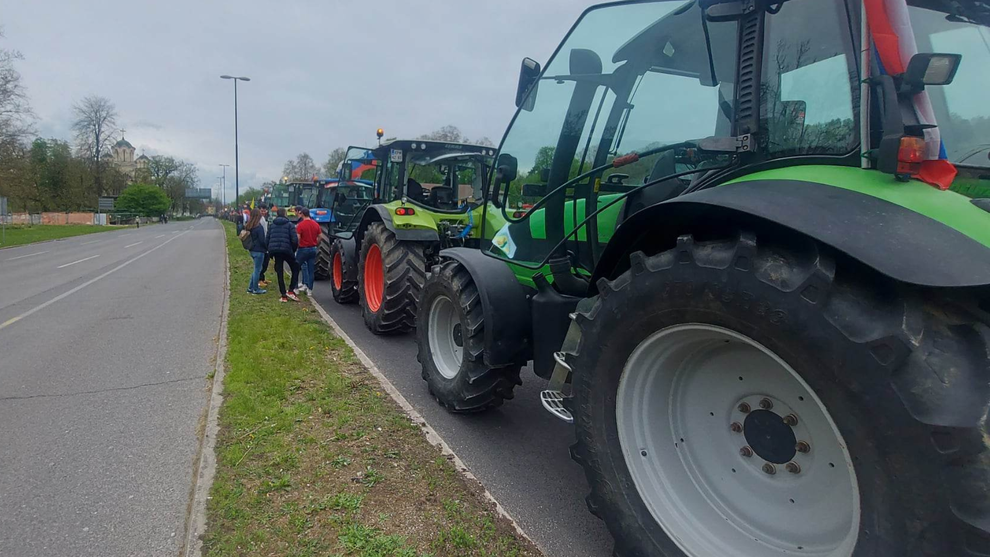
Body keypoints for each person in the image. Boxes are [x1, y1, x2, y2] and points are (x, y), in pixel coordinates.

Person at [266, 208, 301, 302]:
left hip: (276, 251)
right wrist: (292, 250)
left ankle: (283, 295)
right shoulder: (290, 225)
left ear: (277, 214)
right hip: (287, 250)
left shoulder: (272, 225)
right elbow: (294, 240)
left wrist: (270, 251)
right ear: (285, 214)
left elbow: (267, 239)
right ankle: (291, 290)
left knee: (280, 272)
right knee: (296, 267)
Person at [294, 207, 320, 294]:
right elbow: (320, 236)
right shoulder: (316, 224)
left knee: (296, 268)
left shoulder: (300, 225)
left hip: (302, 249)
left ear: (302, 214)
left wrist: (297, 246)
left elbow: (298, 238)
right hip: (313, 248)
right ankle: (309, 290)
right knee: (310, 270)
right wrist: (316, 243)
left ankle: (295, 288)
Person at [244, 208, 268, 295]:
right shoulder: (259, 227)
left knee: (256, 269)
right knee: (258, 270)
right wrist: (267, 248)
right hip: (259, 250)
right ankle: (255, 289)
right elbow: (262, 240)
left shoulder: (249, 226)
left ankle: (250, 288)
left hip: (252, 250)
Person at [257, 205, 272, 288]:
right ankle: (259, 280)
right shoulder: (259, 219)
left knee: (265, 262)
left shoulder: (263, 218)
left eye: (264, 210)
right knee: (263, 263)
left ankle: (262, 278)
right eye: (262, 210)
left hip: (265, 242)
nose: (263, 212)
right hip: (263, 244)